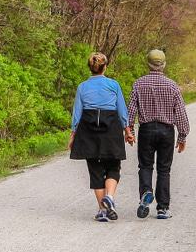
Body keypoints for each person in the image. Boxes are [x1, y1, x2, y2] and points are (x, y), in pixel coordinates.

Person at [124, 49, 189, 220]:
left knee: (145, 166)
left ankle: (146, 191)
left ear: (148, 64)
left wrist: (129, 130)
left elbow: (131, 110)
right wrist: (182, 136)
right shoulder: (172, 85)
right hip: (166, 131)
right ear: (164, 65)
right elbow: (180, 113)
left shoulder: (139, 84)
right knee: (164, 169)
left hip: (146, 129)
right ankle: (162, 209)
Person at [68, 52, 129, 222]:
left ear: (90, 68)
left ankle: (102, 211)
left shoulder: (82, 87)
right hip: (111, 128)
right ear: (105, 67)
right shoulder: (113, 85)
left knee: (95, 170)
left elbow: (77, 113)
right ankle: (109, 197)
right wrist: (128, 130)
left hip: (88, 129)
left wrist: (73, 134)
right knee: (113, 167)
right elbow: (121, 110)